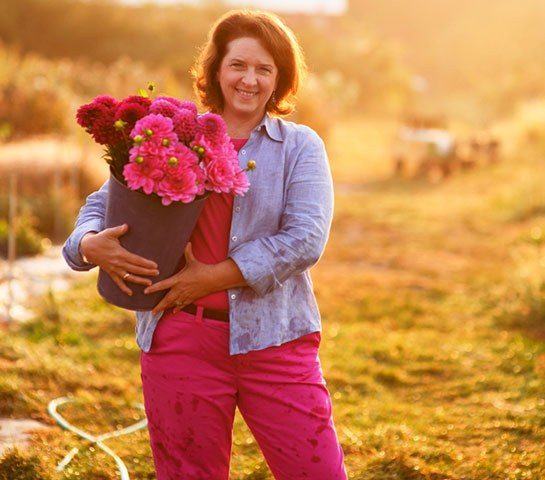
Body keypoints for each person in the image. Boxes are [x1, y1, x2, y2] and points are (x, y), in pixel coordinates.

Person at [63, 9, 347, 480]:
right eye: (238, 64)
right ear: (216, 69)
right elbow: (103, 202)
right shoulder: (175, 133)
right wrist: (88, 244)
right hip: (180, 339)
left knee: (315, 470)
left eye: (264, 69)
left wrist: (212, 277)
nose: (249, 80)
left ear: (280, 79)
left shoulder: (299, 146)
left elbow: (306, 238)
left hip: (275, 338)